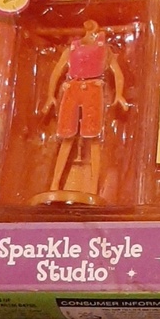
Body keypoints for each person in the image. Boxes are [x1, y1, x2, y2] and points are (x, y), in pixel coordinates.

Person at [41, 20, 128, 200]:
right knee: (67, 137)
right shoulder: (71, 49)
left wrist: (119, 94)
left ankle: (93, 187)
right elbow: (56, 72)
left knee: (93, 138)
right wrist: (50, 95)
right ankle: (54, 184)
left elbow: (117, 73)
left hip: (93, 90)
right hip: (72, 89)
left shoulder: (104, 50)